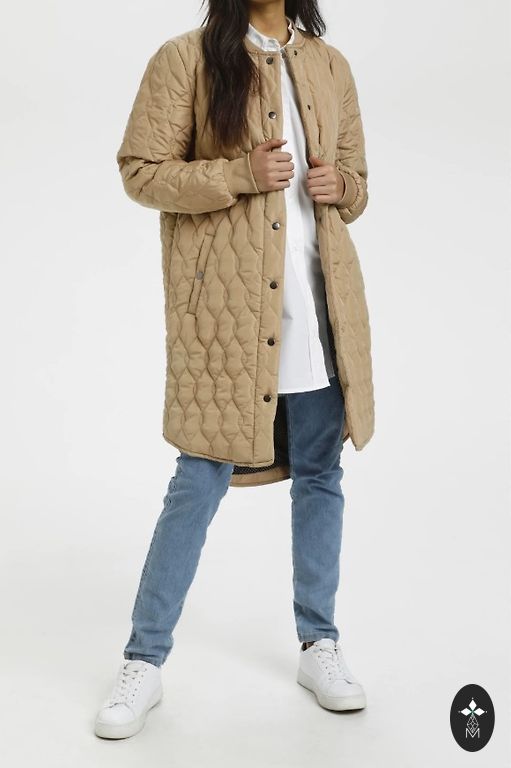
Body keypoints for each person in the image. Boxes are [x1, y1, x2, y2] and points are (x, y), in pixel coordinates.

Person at [94, 0, 375, 740]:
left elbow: (357, 180)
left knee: (321, 474)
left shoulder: (329, 65)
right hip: (229, 318)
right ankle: (143, 660)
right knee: (197, 480)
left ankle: (319, 644)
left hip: (319, 310)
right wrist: (238, 174)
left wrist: (342, 188)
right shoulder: (184, 58)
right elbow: (140, 171)